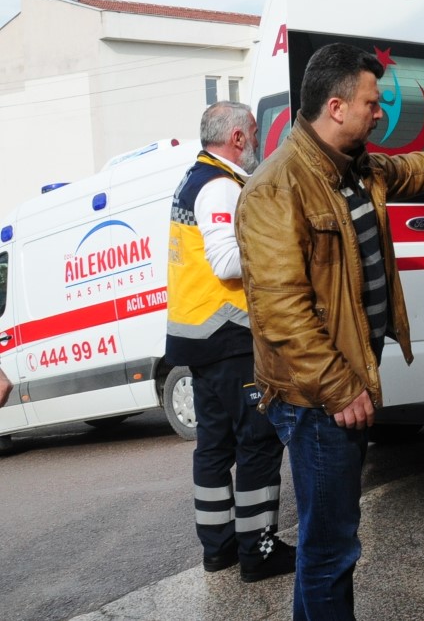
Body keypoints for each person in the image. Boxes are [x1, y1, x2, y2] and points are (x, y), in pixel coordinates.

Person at [236, 43, 424, 620]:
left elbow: (416, 169)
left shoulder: (356, 167)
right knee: (332, 548)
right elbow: (281, 310)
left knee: (328, 543)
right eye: (371, 102)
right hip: (317, 397)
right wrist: (340, 389)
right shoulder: (276, 187)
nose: (380, 112)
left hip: (343, 382)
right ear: (336, 107)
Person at [165, 101, 295, 582]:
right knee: (258, 442)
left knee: (214, 448)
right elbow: (224, 262)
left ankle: (218, 549)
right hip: (230, 337)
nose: (258, 140)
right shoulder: (221, 185)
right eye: (255, 132)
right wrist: (281, 247)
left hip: (200, 338)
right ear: (238, 138)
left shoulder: (194, 178)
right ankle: (259, 551)